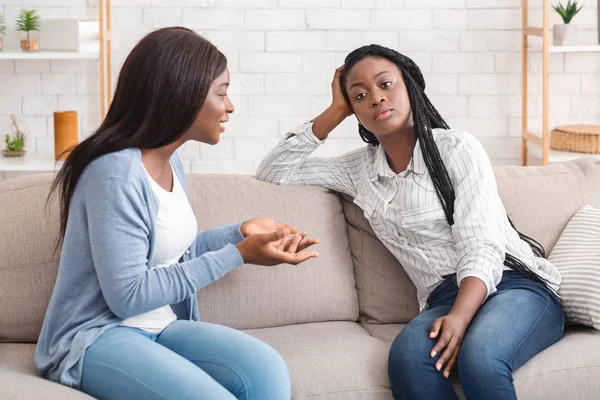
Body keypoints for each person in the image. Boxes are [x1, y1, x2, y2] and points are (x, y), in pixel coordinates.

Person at [255, 44, 563, 400]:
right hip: (442, 297)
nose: (376, 99)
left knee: (481, 356)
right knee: (407, 359)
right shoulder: (359, 171)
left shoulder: (457, 149)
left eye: (386, 85)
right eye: (360, 95)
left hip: (512, 285)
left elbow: (483, 244)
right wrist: (335, 110)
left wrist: (461, 317)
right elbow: (273, 171)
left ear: (411, 88)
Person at [35, 27, 320, 400]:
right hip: (97, 335)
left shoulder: (171, 163)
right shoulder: (115, 174)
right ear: (181, 94)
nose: (230, 106)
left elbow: (169, 256)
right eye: (222, 93)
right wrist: (237, 256)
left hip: (160, 324)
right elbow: (127, 296)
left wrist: (241, 233)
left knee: (266, 370)